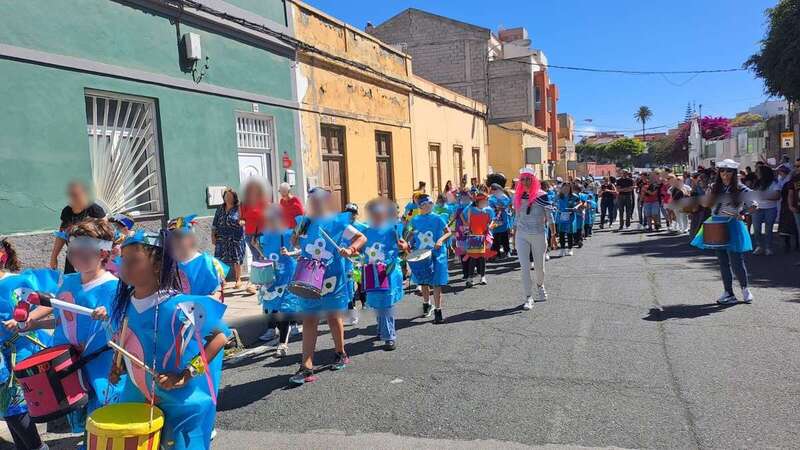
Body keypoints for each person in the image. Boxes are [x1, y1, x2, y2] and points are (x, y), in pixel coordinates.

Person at [104, 230, 229, 450]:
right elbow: (127, 343)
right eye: (123, 259)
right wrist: (120, 365)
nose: (125, 266)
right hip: (138, 399)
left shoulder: (181, 305)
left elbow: (220, 337)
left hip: (180, 403)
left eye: (134, 260)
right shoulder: (124, 305)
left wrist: (186, 374)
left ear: (157, 265)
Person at [25, 219, 121, 435]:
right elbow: (64, 319)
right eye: (73, 251)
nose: (76, 257)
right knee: (84, 423)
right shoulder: (68, 282)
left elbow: (123, 328)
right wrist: (34, 323)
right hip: (69, 365)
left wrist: (108, 316)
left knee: (103, 423)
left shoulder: (115, 288)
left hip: (100, 367)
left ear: (103, 253)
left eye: (83, 252)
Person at [288, 188, 367, 386]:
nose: (314, 203)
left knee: (333, 317)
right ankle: (306, 367)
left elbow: (361, 238)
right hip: (309, 275)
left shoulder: (337, 222)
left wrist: (350, 249)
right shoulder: (305, 222)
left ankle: (340, 352)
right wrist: (296, 235)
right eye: (311, 200)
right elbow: (294, 242)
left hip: (332, 278)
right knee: (309, 319)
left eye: (317, 200)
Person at [0, 239, 56, 450]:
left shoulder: (16, 282)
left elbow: (49, 303)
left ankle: (38, 447)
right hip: (1, 360)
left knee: (16, 408)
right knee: (7, 409)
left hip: (21, 351)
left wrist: (25, 319)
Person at [691, 159, 755, 305]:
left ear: (734, 173)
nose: (725, 174)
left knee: (736, 260)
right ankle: (728, 292)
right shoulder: (713, 187)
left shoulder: (741, 189)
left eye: (729, 171)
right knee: (722, 261)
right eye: (722, 171)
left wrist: (743, 212)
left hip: (733, 224)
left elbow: (754, 205)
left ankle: (745, 289)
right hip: (716, 224)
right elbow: (706, 204)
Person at [355, 198, 408, 351]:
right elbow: (357, 248)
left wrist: (403, 245)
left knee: (385, 303)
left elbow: (404, 245)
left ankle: (389, 337)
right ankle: (382, 329)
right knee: (376, 302)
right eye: (374, 213)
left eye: (380, 213)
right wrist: (352, 253)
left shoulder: (392, 228)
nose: (377, 216)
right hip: (371, 271)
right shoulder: (364, 231)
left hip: (387, 271)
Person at [256, 205, 300, 357]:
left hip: (287, 275)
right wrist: (259, 251)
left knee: (284, 308)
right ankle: (273, 331)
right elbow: (266, 254)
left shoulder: (288, 233)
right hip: (271, 276)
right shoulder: (265, 235)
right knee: (271, 307)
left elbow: (303, 249)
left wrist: (290, 253)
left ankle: (282, 344)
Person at [513, 169, 554, 310]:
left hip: (538, 234)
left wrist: (554, 236)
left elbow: (549, 216)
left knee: (539, 268)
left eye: (528, 179)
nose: (525, 182)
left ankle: (540, 285)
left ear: (534, 180)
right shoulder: (518, 196)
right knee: (524, 267)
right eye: (522, 179)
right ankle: (528, 297)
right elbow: (517, 217)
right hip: (522, 234)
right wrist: (513, 235)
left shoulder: (542, 196)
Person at [410, 195, 452, 324]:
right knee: (423, 281)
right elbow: (413, 233)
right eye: (425, 204)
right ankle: (426, 304)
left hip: (437, 253)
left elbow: (448, 232)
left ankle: (438, 311)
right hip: (422, 253)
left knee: (436, 282)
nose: (428, 206)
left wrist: (440, 240)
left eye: (430, 203)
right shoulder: (415, 219)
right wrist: (409, 241)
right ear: (420, 206)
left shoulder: (438, 218)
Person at [50, 181, 106, 273]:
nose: (74, 198)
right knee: (71, 281)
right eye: (71, 195)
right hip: (73, 257)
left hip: (91, 259)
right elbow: (61, 235)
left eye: (76, 195)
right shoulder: (67, 211)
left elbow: (107, 236)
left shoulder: (95, 210)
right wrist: (54, 256)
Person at [169, 215, 227, 298]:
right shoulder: (168, 263)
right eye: (171, 236)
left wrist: (212, 298)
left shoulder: (208, 262)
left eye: (179, 236)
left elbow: (218, 290)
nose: (175, 240)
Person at [241, 178, 270, 294]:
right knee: (256, 256)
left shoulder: (264, 202)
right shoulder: (244, 204)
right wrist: (241, 221)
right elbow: (242, 217)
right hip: (249, 233)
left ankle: (256, 282)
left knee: (259, 256)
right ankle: (258, 281)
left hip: (261, 233)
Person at [212, 188, 246, 289]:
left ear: (234, 197)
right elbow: (215, 223)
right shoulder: (220, 208)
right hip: (221, 237)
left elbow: (245, 219)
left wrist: (243, 222)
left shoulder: (239, 208)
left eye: (230, 196)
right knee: (220, 259)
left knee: (237, 259)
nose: (228, 198)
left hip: (236, 237)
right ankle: (222, 280)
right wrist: (213, 235)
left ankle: (238, 279)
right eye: (226, 196)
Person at [461, 192, 496, 287]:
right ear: (477, 202)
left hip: (484, 236)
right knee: (473, 258)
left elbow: (492, 221)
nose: (486, 203)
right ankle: (470, 278)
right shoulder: (470, 209)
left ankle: (482, 276)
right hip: (474, 236)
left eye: (486, 201)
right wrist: (466, 227)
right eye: (484, 201)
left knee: (482, 258)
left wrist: (491, 225)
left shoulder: (488, 210)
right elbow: (462, 216)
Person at [750, 165, 781, 255]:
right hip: (757, 208)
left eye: (758, 172)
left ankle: (768, 247)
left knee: (768, 229)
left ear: (764, 173)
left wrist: (764, 196)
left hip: (770, 209)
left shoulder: (774, 183)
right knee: (756, 229)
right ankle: (759, 246)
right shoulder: (756, 183)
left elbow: (777, 196)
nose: (756, 173)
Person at [776, 165, 798, 252]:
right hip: (786, 206)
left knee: (793, 226)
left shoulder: (788, 182)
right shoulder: (784, 182)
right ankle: (788, 245)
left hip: (790, 205)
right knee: (788, 227)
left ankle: (794, 245)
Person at [555, 183, 581, 256]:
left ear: (570, 188)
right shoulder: (558, 196)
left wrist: (576, 207)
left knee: (570, 233)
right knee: (561, 233)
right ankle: (562, 250)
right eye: (564, 187)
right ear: (562, 188)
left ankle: (570, 249)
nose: (566, 189)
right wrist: (555, 207)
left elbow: (580, 203)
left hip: (570, 216)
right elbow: (553, 202)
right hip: (561, 216)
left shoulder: (574, 196)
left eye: (568, 187)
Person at [489, 183, 512, 259]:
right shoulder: (491, 198)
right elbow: (490, 206)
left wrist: (501, 206)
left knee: (504, 236)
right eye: (493, 189)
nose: (493, 191)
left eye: (494, 189)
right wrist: (496, 208)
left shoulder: (503, 196)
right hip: (495, 219)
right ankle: (497, 253)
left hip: (503, 218)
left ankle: (507, 251)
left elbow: (508, 203)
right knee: (496, 237)